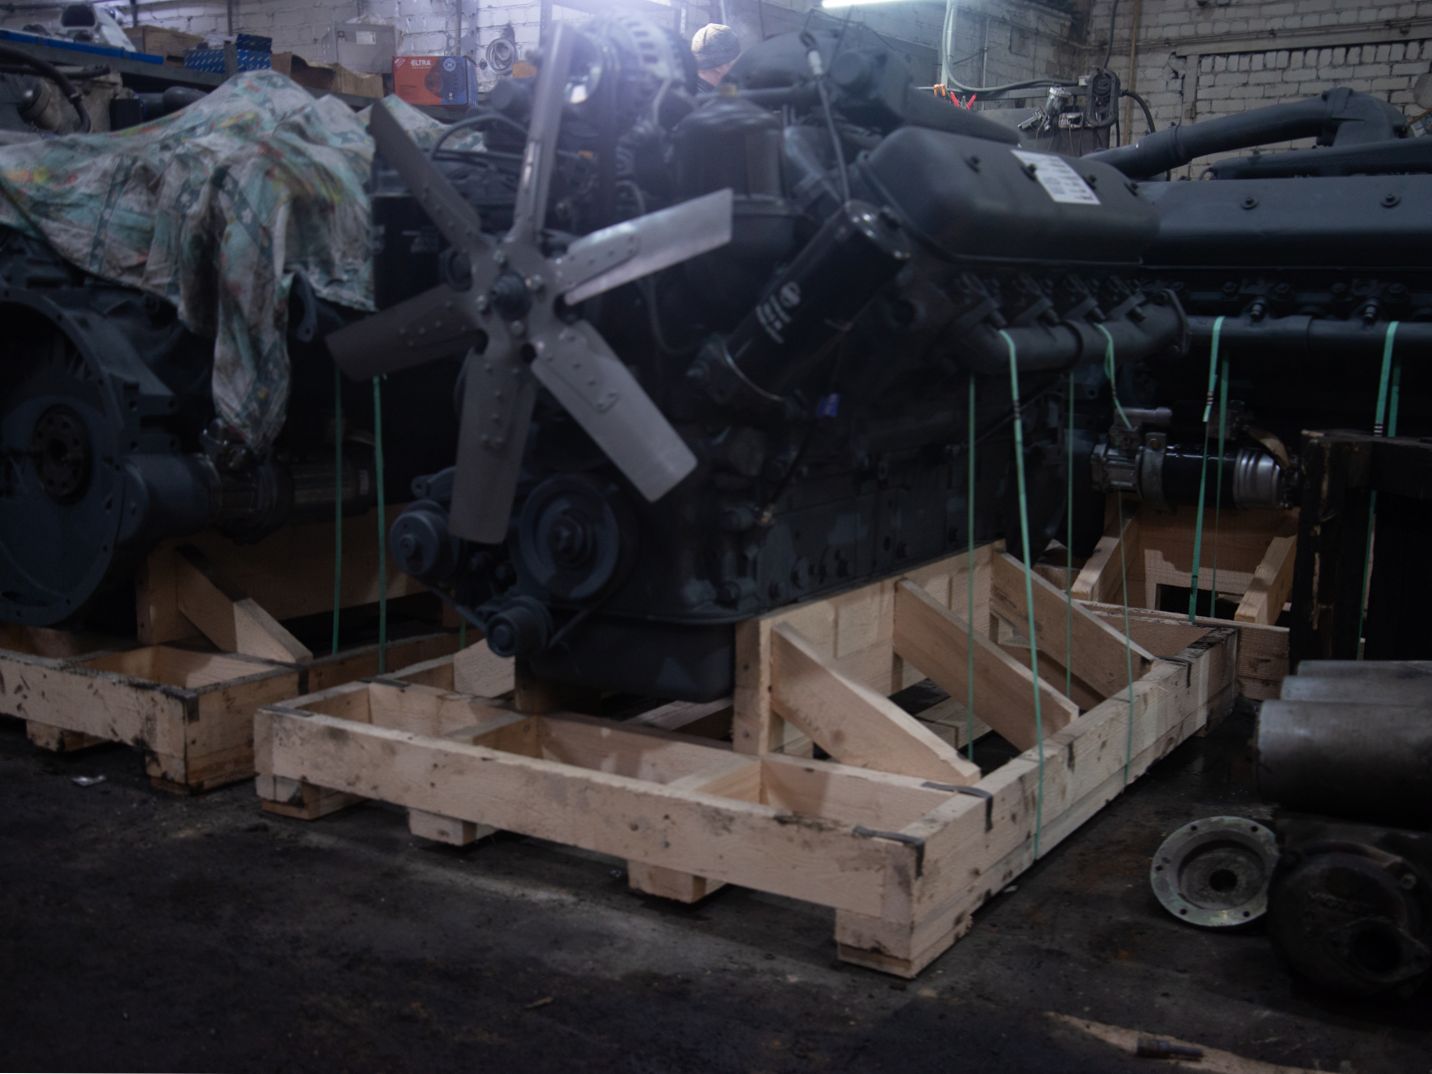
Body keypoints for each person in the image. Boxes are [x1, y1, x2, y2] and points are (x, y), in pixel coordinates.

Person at [690, 23, 740, 92]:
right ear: (719, 68)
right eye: (734, 61)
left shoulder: (687, 89)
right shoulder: (712, 96)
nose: (737, 66)